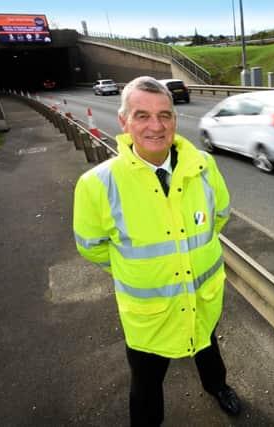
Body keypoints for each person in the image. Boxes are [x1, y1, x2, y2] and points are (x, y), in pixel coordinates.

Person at [73, 76, 240, 426]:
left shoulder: (204, 167)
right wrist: (136, 270)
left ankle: (218, 387)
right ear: (124, 122)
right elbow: (92, 248)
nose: (156, 126)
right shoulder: (97, 185)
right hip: (149, 313)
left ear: (175, 120)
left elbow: (220, 216)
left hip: (202, 295)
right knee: (146, 382)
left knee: (208, 347)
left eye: (165, 115)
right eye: (142, 115)